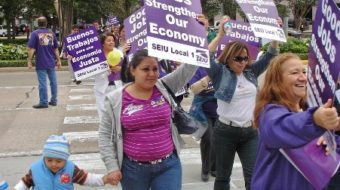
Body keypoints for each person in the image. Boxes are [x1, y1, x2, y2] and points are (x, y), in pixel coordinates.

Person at [98, 48, 199, 189]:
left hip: (168, 167)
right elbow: (105, 135)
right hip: (133, 171)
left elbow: (189, 67)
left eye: (155, 69)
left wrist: (207, 36)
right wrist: (112, 166)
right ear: (132, 70)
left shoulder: (163, 86)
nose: (152, 74)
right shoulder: (116, 99)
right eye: (146, 69)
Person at [206, 15, 280, 190]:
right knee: (223, 177)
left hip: (250, 131)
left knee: (254, 176)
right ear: (229, 58)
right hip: (225, 131)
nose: (242, 62)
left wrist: (274, 34)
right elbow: (204, 56)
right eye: (238, 58)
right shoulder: (219, 73)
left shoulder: (251, 72)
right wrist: (219, 35)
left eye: (245, 58)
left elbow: (269, 55)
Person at [251, 53, 340, 189]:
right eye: (294, 73)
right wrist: (315, 118)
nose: (303, 78)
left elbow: (328, 145)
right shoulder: (269, 113)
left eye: (304, 71)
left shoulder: (304, 110)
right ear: (277, 81)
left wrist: (330, 143)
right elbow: (284, 126)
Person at [14, 135, 113, 189]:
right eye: (49, 160)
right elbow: (24, 183)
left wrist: (104, 179)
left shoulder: (71, 169)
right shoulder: (35, 169)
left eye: (59, 161)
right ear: (44, 157)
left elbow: (86, 179)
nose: (53, 164)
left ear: (66, 159)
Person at [189, 67, 217, 182]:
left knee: (217, 141)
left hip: (220, 112)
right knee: (208, 139)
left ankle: (214, 168)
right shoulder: (198, 70)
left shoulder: (221, 68)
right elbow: (194, 88)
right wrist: (207, 78)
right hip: (203, 114)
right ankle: (205, 170)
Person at [27, 16, 61, 109]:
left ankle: (43, 102)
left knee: (42, 83)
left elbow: (32, 49)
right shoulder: (51, 33)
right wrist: (58, 60)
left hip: (41, 62)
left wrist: (29, 61)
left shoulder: (35, 34)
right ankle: (53, 101)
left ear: (38, 23)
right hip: (51, 62)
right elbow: (55, 49)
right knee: (53, 82)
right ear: (46, 23)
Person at [94, 32, 123, 119]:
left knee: (117, 114)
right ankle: (106, 132)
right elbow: (90, 71)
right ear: (103, 43)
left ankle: (116, 132)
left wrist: (121, 69)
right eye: (108, 40)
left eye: (113, 40)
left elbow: (128, 69)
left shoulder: (119, 53)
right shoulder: (96, 55)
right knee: (103, 114)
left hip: (117, 87)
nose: (111, 42)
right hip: (101, 88)